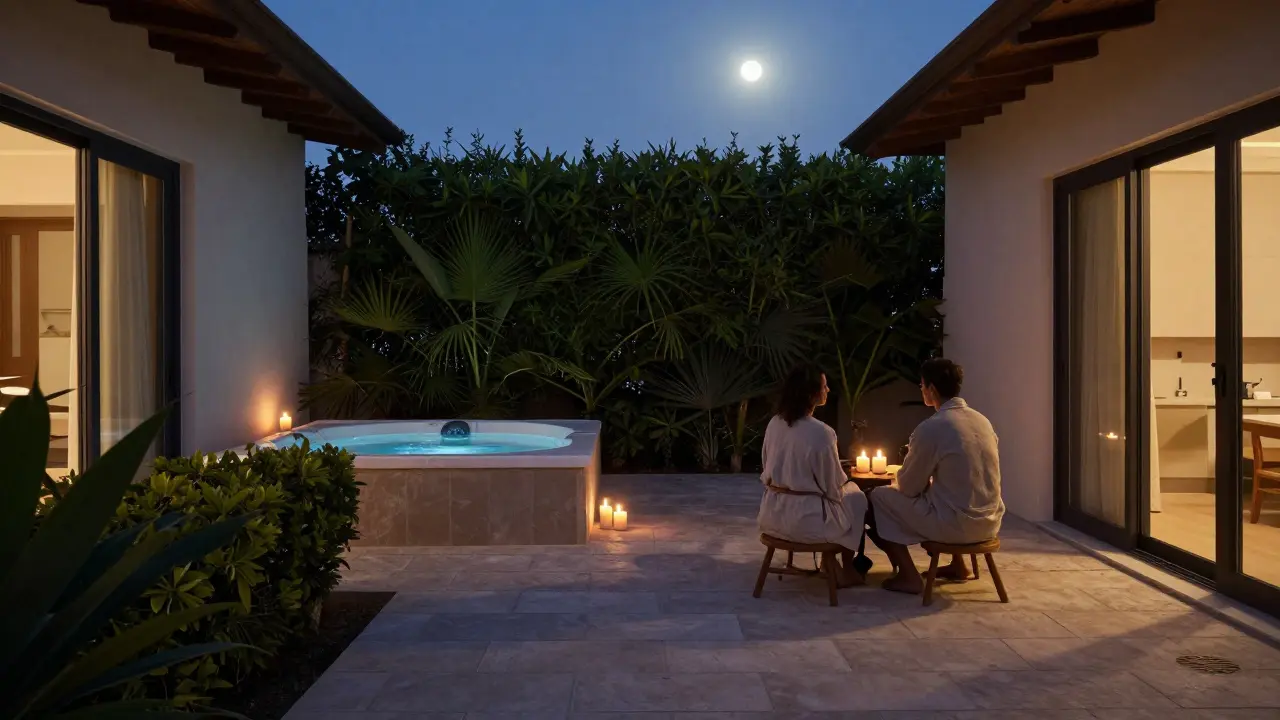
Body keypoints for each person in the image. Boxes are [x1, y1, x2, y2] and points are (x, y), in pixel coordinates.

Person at [867, 358, 1005, 594]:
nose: (921, 390)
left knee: (878, 497)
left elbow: (909, 487)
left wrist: (901, 473)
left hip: (956, 526)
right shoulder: (982, 421)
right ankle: (958, 565)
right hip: (990, 522)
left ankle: (909, 577)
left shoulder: (933, 427)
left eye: (921, 386)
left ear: (931, 389)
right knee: (947, 493)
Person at [758, 364, 868, 587]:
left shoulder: (774, 423)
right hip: (807, 522)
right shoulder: (822, 433)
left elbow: (765, 464)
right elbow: (832, 486)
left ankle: (835, 565)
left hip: (772, 515)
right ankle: (844, 567)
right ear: (812, 394)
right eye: (825, 386)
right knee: (857, 497)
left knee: (848, 496)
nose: (828, 390)